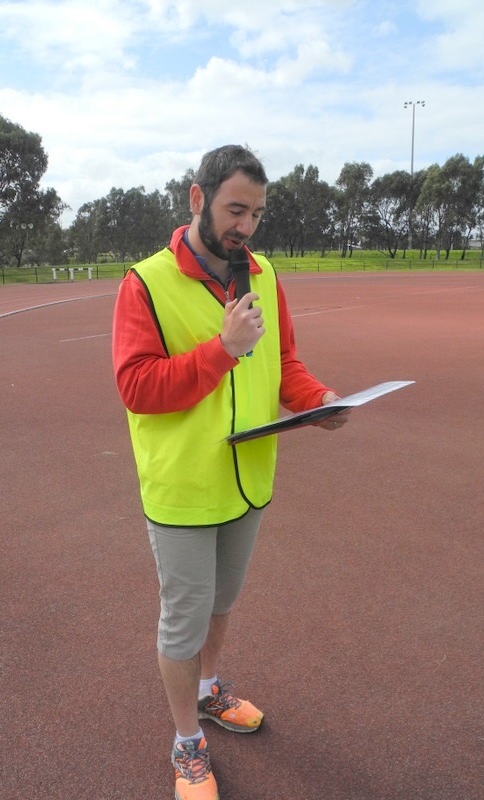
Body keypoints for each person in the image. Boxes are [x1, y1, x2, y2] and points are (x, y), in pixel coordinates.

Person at [112, 144, 347, 800]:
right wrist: (221, 351)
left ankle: (209, 691)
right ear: (196, 200)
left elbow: (285, 363)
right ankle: (186, 743)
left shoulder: (264, 274)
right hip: (183, 486)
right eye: (234, 210)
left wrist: (317, 402)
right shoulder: (146, 282)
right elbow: (136, 386)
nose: (245, 226)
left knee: (222, 603)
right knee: (184, 619)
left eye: (256, 214)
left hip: (247, 479)